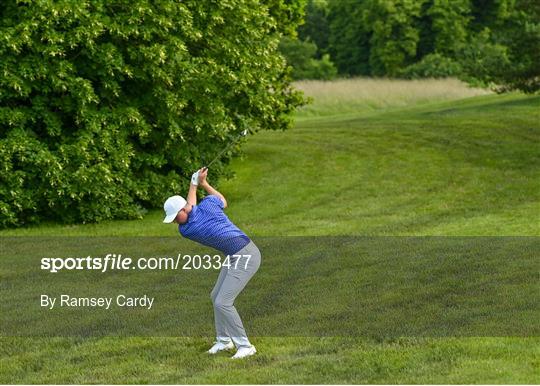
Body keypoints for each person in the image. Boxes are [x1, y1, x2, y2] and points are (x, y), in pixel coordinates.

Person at [163, 167, 261, 359]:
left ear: (183, 210)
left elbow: (191, 205)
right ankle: (224, 341)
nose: (175, 222)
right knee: (216, 295)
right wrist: (201, 184)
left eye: (176, 217)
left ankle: (245, 346)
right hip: (235, 255)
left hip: (246, 255)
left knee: (223, 302)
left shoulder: (189, 226)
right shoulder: (203, 210)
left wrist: (196, 184)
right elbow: (221, 201)